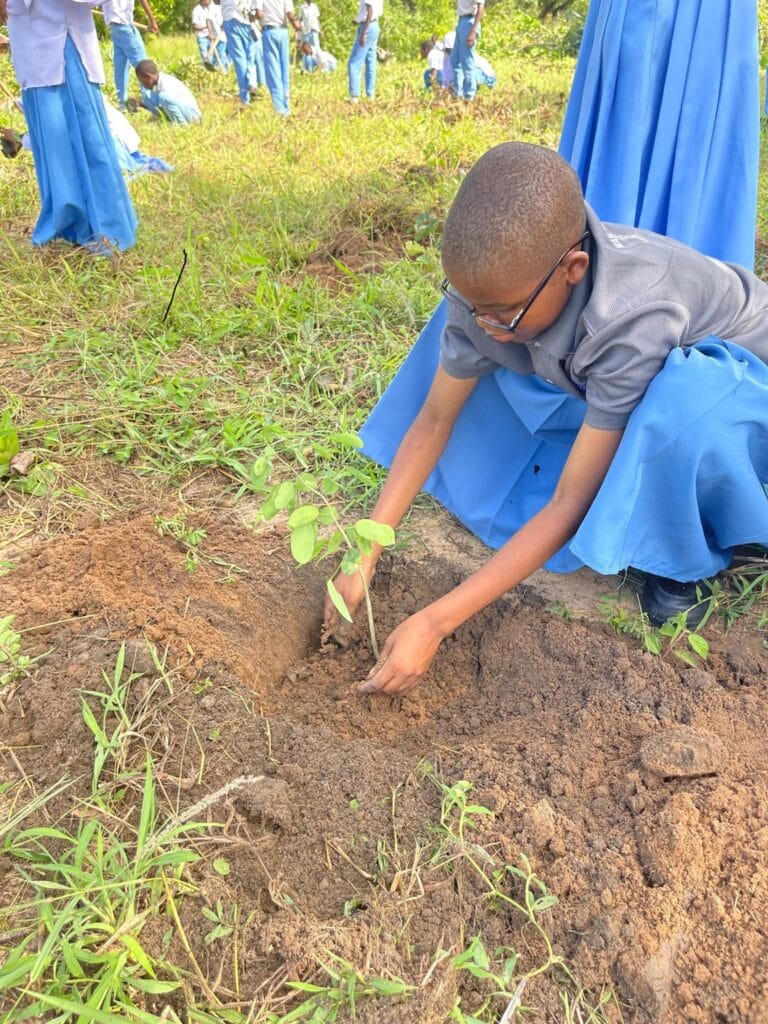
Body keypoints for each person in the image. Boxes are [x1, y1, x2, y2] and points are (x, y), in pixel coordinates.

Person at [332, 141, 768, 695]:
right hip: (616, 359)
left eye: (501, 311)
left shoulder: (630, 322)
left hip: (744, 383)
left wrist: (434, 622)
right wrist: (363, 552)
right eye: (473, 306)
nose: (483, 322)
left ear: (573, 268)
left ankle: (684, 552)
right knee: (468, 346)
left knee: (681, 409)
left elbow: (569, 504)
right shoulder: (496, 295)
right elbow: (434, 420)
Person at [2, 0, 137, 251]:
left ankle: (106, 228)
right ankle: (70, 224)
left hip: (62, 47)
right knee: (53, 145)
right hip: (30, 45)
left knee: (82, 139)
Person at [101, 0, 158, 109]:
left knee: (121, 67)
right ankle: (151, 102)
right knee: (143, 65)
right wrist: (152, 20)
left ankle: (122, 102)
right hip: (123, 26)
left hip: (116, 27)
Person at [254, 0, 300, 116]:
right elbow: (290, 14)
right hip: (283, 31)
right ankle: (286, 104)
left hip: (269, 32)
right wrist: (295, 24)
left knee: (273, 71)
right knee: (284, 68)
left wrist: (255, 16)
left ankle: (279, 109)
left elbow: (259, 14)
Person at [135, 59, 201, 123]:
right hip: (183, 110)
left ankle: (180, 125)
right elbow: (159, 109)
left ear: (148, 77)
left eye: (142, 80)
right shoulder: (159, 83)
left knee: (163, 97)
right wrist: (140, 104)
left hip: (193, 116)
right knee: (149, 96)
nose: (142, 84)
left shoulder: (166, 85)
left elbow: (164, 106)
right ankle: (171, 121)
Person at [221, 0, 257, 105]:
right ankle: (252, 82)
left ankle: (244, 97)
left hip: (230, 19)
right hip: (246, 20)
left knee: (239, 60)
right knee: (250, 56)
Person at [347, 0, 382, 103]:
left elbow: (370, 9)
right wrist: (358, 20)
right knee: (370, 62)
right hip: (374, 25)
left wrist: (363, 33)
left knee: (353, 63)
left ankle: (354, 96)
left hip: (367, 27)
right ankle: (370, 95)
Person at [451, 0, 483, 101]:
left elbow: (480, 9)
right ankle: (458, 93)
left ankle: (469, 96)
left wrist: (473, 31)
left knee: (467, 61)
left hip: (469, 23)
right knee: (455, 60)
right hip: (461, 21)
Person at [193, 0, 229, 70]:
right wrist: (210, 33)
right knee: (216, 56)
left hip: (222, 36)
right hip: (214, 36)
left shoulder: (222, 7)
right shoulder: (210, 8)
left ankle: (224, 71)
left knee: (221, 55)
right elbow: (208, 20)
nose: (209, 1)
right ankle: (216, 71)